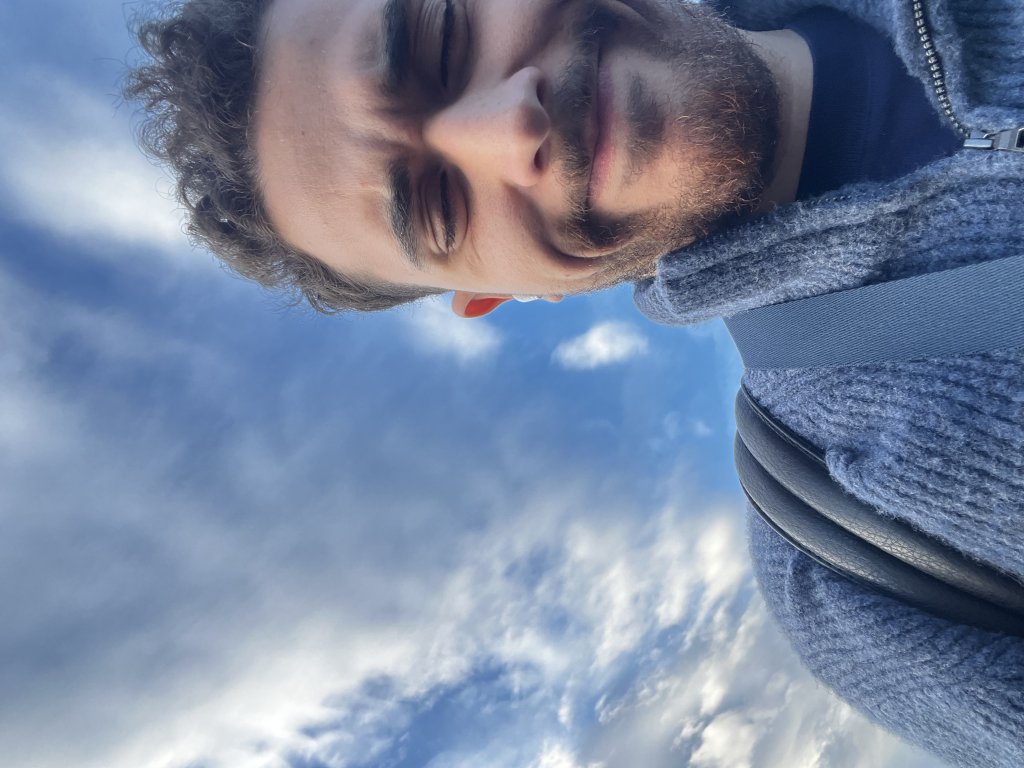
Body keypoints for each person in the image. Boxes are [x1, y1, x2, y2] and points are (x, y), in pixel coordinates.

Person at [124, 0, 1024, 764]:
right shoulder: (856, 568)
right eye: (440, 206)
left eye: (441, 40)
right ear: (498, 294)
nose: (508, 130)